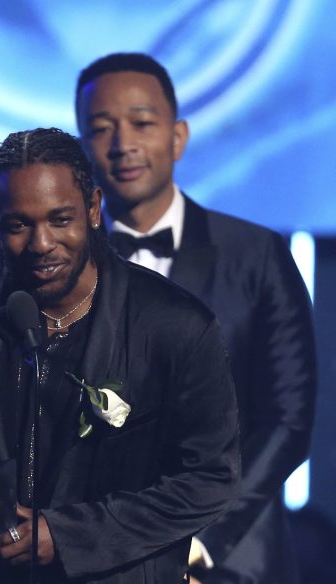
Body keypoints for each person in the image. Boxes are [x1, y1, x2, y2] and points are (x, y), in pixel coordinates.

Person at [0, 127, 240, 583]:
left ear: (92, 208)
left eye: (60, 219)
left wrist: (68, 535)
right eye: (19, 224)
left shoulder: (174, 324)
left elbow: (209, 479)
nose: (42, 243)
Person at [75, 53, 317, 584]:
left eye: (142, 123)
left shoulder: (256, 256)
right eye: (100, 129)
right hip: (92, 559)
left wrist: (203, 537)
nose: (123, 145)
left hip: (233, 559)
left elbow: (289, 419)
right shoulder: (60, 265)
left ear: (178, 135)